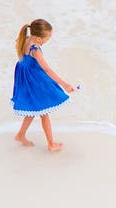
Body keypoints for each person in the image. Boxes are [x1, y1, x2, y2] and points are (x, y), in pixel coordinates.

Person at [11, 18, 75, 152]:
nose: (48, 40)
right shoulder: (35, 50)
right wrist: (64, 84)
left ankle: (20, 135)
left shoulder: (25, 39)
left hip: (24, 76)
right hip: (33, 80)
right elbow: (47, 69)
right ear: (39, 39)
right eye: (48, 38)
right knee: (44, 112)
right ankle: (51, 144)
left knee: (32, 109)